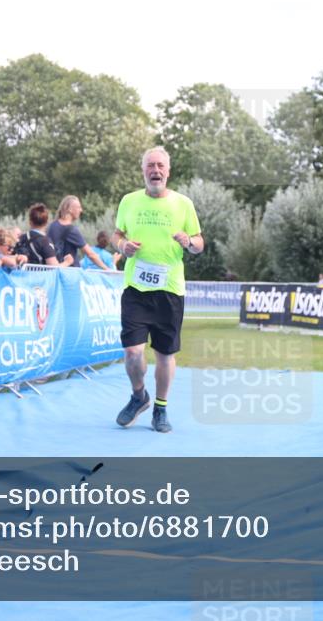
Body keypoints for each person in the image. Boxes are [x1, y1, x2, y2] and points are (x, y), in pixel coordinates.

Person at [113, 147, 204, 433]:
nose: (156, 170)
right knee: (132, 351)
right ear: (143, 171)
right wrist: (122, 246)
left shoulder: (183, 204)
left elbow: (200, 244)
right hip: (136, 289)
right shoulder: (129, 201)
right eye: (150, 165)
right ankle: (139, 395)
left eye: (160, 165)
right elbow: (118, 234)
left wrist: (189, 240)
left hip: (169, 290)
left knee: (165, 354)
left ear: (168, 171)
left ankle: (160, 409)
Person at [47, 196, 109, 270]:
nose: (81, 210)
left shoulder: (52, 226)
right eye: (78, 207)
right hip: (70, 273)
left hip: (55, 272)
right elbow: (91, 254)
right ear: (70, 209)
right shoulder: (72, 230)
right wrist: (107, 269)